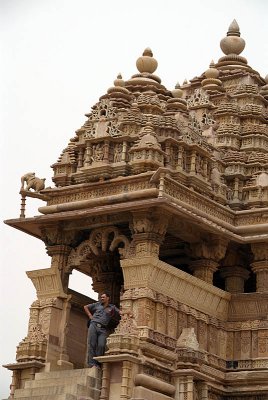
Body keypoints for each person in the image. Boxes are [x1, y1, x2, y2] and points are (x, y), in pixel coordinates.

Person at [84, 292, 121, 368]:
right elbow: (85, 307)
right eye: (101, 297)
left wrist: (128, 312)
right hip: (93, 325)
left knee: (101, 345)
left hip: (103, 328)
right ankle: (91, 363)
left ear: (108, 298)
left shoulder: (112, 307)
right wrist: (90, 315)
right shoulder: (97, 304)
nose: (102, 298)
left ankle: (98, 363)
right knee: (92, 344)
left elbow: (120, 312)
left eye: (103, 297)